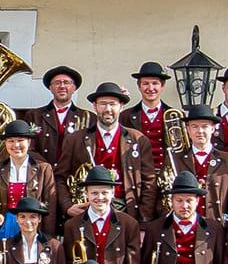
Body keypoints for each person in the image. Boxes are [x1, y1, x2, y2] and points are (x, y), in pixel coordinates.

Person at [59, 82, 156, 221]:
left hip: (126, 213)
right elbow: (60, 177)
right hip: (87, 213)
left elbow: (149, 182)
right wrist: (67, 206)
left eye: (113, 104)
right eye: (103, 104)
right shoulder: (74, 140)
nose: (108, 109)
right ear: (95, 106)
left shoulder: (138, 139)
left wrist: (143, 220)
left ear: (121, 107)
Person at [61, 167, 145, 264]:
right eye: (94, 193)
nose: (100, 198)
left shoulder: (129, 224)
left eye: (104, 192)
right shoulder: (72, 225)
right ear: (86, 193)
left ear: (113, 193)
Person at [142, 171, 221, 264]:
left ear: (197, 201)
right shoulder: (154, 228)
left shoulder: (214, 229)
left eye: (189, 200)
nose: (184, 206)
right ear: (171, 200)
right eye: (179, 200)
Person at [0, 196, 65, 264]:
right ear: (17, 219)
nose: (27, 221)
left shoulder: (54, 245)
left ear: (40, 219)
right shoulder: (6, 245)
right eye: (22, 217)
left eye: (33, 217)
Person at [29, 64, 86, 162]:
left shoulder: (88, 117)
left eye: (67, 82)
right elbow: (29, 147)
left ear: (74, 88)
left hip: (72, 173)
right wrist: (44, 168)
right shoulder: (34, 115)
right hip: (43, 172)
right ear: (50, 88)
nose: (62, 86)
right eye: (57, 83)